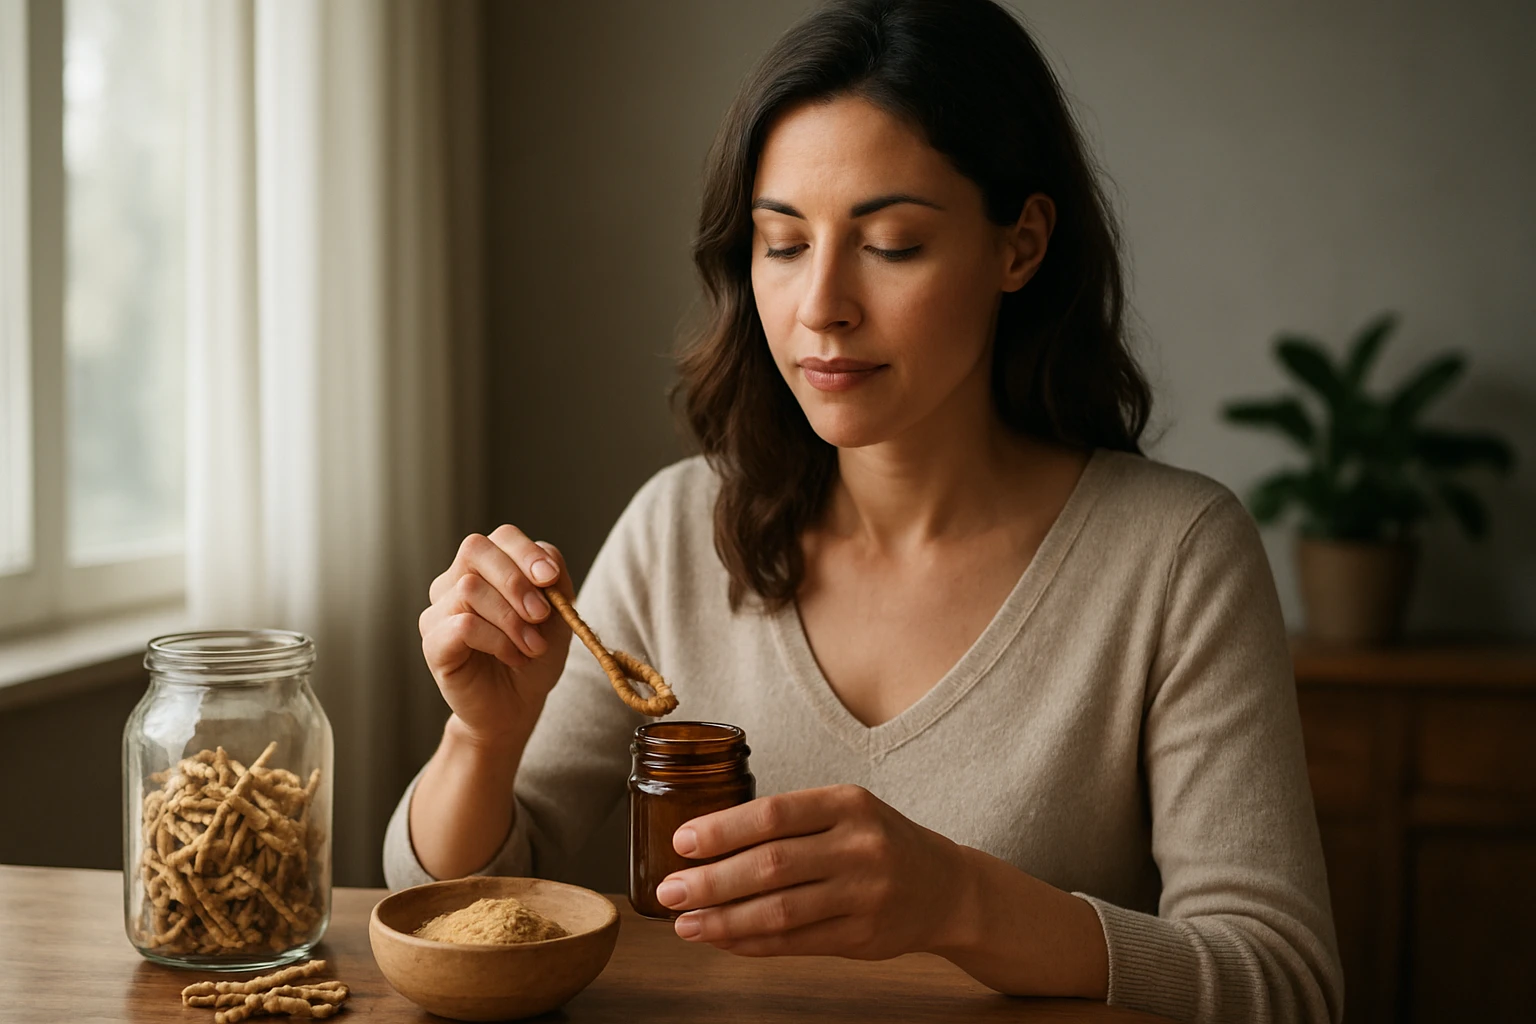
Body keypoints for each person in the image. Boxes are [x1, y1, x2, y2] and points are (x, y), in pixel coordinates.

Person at [383, 1, 1343, 1021]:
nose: (821, 305)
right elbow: (433, 912)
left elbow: (1282, 982)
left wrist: (961, 899)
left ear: (1020, 246)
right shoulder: (676, 531)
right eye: (782, 243)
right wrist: (481, 740)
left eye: (890, 244)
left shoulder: (1175, 557)